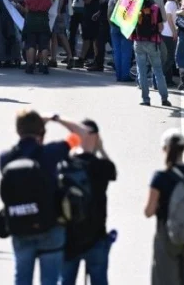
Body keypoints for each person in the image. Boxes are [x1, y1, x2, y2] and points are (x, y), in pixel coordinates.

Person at [0, 110, 90, 285]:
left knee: (22, 278)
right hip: (51, 226)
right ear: (41, 132)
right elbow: (82, 134)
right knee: (50, 280)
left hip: (19, 226)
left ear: (18, 131)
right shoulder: (52, 152)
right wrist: (55, 119)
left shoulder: (5, 158)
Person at [145, 129, 184, 285]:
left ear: (164, 149)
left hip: (168, 234)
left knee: (165, 279)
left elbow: (149, 211)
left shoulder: (160, 177)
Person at [61, 119, 117, 285]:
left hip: (70, 236)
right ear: (97, 137)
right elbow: (113, 171)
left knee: (66, 280)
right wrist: (100, 149)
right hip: (96, 236)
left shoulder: (67, 165)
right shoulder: (100, 166)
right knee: (99, 280)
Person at [133, 0, 171, 107]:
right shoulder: (155, 8)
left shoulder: (134, 8)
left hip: (139, 42)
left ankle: (145, 99)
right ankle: (164, 98)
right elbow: (160, 27)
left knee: (142, 71)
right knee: (158, 70)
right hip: (153, 42)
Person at [23, 0, 53, 75]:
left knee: (31, 44)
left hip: (31, 21)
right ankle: (44, 65)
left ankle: (30, 65)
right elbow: (48, 8)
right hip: (43, 22)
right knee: (44, 45)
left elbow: (27, 10)